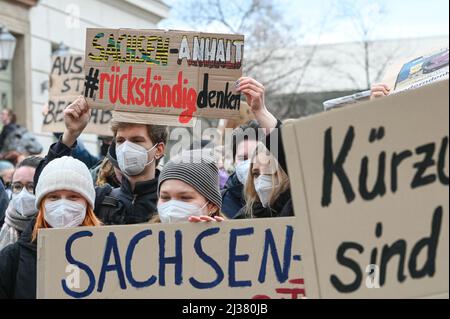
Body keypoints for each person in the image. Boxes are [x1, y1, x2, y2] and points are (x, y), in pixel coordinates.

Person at [34, 96, 168, 225]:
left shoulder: (170, 201)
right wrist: (71, 134)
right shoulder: (99, 199)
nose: (126, 148)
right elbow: (44, 188)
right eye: (120, 141)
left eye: (136, 141)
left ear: (159, 150)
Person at [0, 156, 101, 299]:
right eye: (53, 197)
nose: (62, 206)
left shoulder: (109, 254)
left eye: (73, 197)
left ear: (88, 204)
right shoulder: (11, 258)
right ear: (41, 204)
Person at [233, 76, 293, 218]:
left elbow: (291, 156)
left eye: (270, 172)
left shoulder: (299, 206)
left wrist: (261, 111)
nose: (261, 181)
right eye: (255, 174)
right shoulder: (245, 217)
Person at [151, 150, 224, 224]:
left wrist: (218, 233)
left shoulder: (229, 234)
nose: (172, 207)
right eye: (165, 197)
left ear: (212, 206)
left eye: (185, 197)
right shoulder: (145, 234)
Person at [0, 156, 42, 250]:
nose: (23, 194)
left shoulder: (53, 227)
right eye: (17, 186)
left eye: (31, 186)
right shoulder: (5, 226)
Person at [221, 120, 261, 218]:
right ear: (234, 161)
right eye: (244, 158)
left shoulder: (282, 199)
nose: (251, 165)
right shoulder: (219, 204)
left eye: (257, 156)